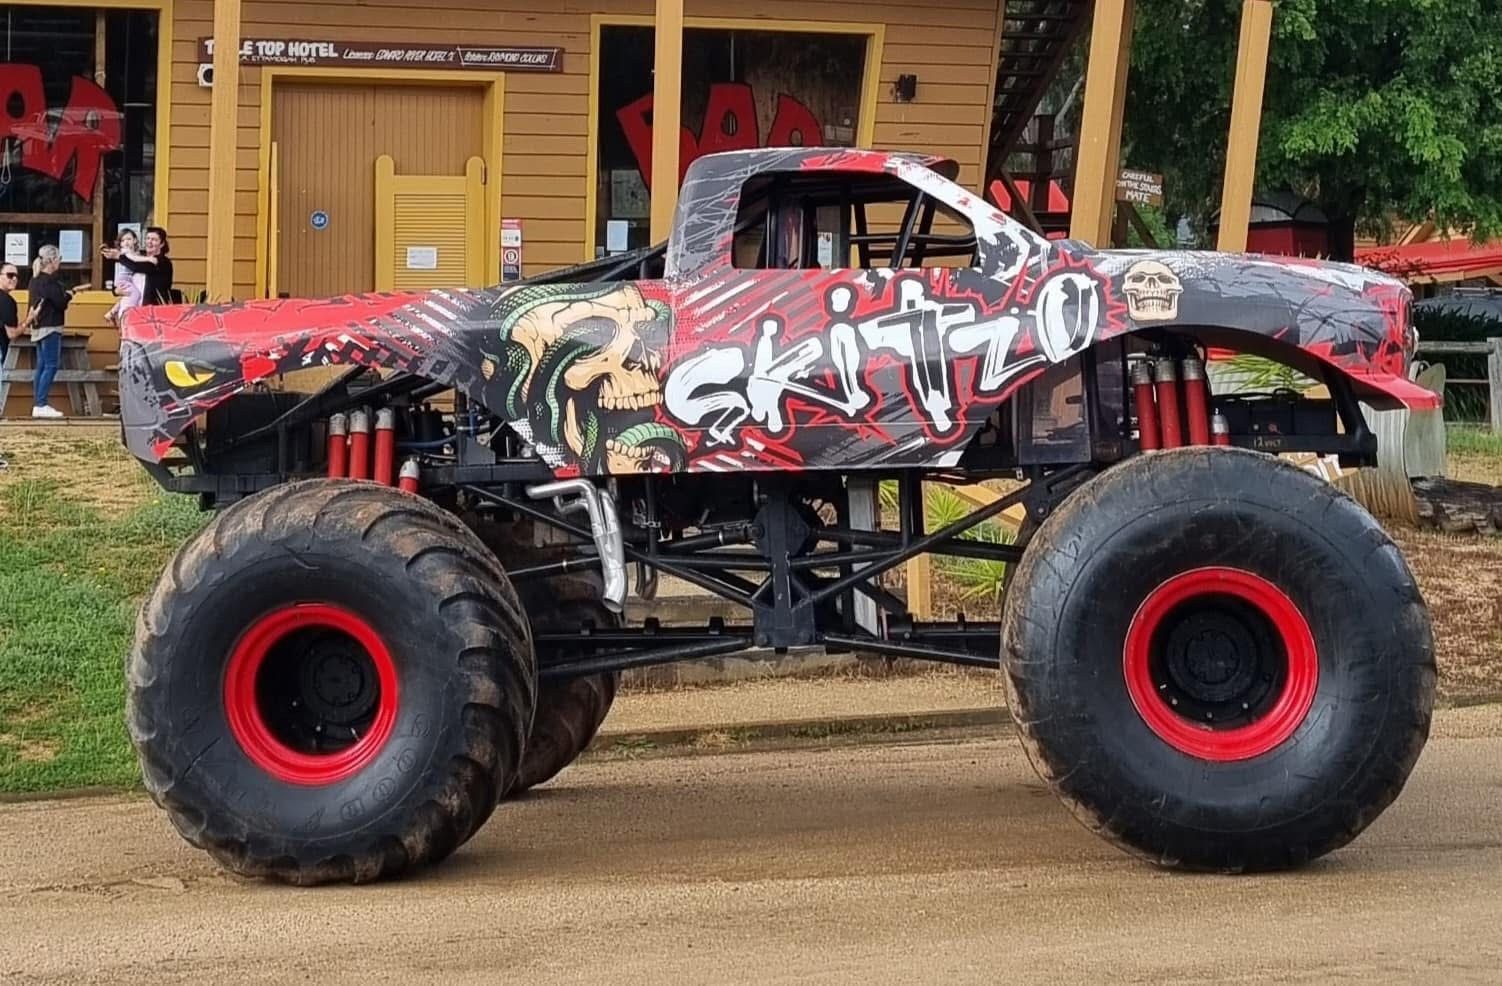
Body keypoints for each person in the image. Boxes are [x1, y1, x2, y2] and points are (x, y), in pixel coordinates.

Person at [26, 245, 90, 420]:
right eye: (59, 259)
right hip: (50, 326)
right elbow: (60, 303)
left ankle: (37, 404)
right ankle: (41, 404)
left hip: (38, 327)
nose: (60, 262)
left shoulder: (35, 280)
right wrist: (69, 294)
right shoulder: (50, 281)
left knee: (41, 366)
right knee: (51, 365)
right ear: (52, 261)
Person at [103, 226, 173, 306]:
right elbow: (126, 274)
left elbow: (138, 267)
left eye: (154, 240)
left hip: (153, 310)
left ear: (162, 244)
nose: (149, 242)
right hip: (135, 308)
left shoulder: (163, 262)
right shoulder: (140, 257)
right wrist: (115, 290)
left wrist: (119, 257)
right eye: (147, 238)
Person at [0, 263, 22, 467]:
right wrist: (29, 320)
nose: (14, 278)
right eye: (9, 275)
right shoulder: (6, 301)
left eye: (16, 275)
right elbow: (12, 334)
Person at [104, 228, 146, 326]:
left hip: (128, 279)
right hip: (124, 279)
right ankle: (128, 313)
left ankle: (111, 312)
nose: (126, 242)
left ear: (135, 240)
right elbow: (134, 259)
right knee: (135, 294)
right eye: (123, 240)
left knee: (127, 295)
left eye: (128, 239)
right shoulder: (126, 252)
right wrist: (148, 259)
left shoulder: (133, 252)